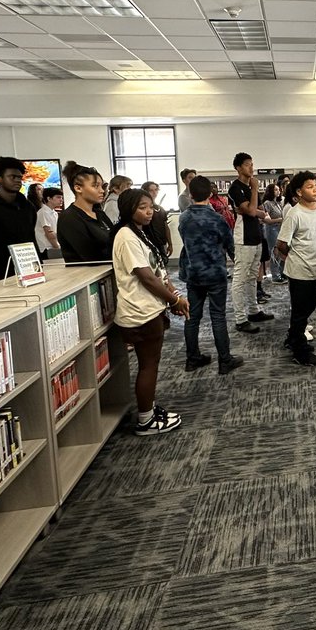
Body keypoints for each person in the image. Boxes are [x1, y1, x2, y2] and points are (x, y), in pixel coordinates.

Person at [111, 188, 189, 435]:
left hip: (151, 308)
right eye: (142, 207)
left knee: (151, 363)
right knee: (148, 365)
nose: (148, 212)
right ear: (128, 209)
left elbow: (158, 272)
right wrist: (174, 301)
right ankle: (145, 420)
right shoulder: (126, 236)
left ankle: (149, 409)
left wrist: (172, 296)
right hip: (140, 311)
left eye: (151, 207)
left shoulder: (139, 233)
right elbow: (146, 278)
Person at [177, 176, 243, 376]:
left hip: (193, 273)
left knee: (192, 317)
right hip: (214, 273)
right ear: (210, 194)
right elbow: (229, 245)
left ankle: (192, 358)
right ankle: (225, 360)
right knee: (218, 316)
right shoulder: (217, 219)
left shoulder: (184, 218)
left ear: (190, 194)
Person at [276, 171, 316, 366]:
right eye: (309, 186)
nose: (315, 189)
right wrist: (295, 258)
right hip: (299, 270)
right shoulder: (294, 213)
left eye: (315, 185)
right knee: (300, 312)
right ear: (298, 191)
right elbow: (281, 244)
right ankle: (300, 351)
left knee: (309, 307)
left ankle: (292, 338)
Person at [227, 153, 274, 334]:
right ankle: (240, 319)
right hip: (244, 238)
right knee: (240, 278)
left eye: (252, 164)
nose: (251, 168)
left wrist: (254, 211)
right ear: (238, 168)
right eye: (247, 165)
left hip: (256, 235)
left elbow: (259, 211)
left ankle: (253, 311)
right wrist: (254, 191)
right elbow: (252, 211)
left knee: (253, 275)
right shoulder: (235, 188)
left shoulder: (249, 188)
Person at [57, 161, 114, 263]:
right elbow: (90, 256)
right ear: (78, 188)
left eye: (102, 186)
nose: (102, 191)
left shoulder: (100, 214)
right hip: (87, 275)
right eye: (95, 186)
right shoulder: (69, 218)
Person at [261, 183, 286, 283]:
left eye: (278, 189)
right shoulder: (267, 203)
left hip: (279, 229)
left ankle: (281, 273)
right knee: (274, 252)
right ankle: (275, 275)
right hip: (272, 229)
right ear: (271, 191)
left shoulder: (278, 203)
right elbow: (268, 220)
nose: (278, 191)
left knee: (281, 251)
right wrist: (281, 219)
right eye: (275, 190)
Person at [141, 181, 173, 260]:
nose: (154, 193)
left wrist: (170, 244)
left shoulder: (160, 209)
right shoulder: (143, 210)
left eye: (156, 190)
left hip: (161, 244)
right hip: (149, 244)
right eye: (151, 190)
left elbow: (165, 226)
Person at [35, 187, 64, 257]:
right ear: (49, 198)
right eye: (58, 197)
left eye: (62, 198)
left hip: (53, 247)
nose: (61, 200)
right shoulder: (43, 212)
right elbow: (49, 233)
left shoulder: (54, 213)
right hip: (46, 249)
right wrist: (58, 248)